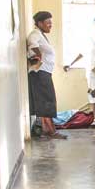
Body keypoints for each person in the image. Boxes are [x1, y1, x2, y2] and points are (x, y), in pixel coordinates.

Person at [26, 11, 67, 140]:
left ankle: (46, 129)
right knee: (46, 101)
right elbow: (32, 44)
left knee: (46, 100)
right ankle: (50, 131)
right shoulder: (35, 33)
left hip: (44, 73)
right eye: (48, 22)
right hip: (40, 72)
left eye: (51, 22)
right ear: (39, 23)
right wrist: (39, 56)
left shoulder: (41, 34)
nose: (50, 25)